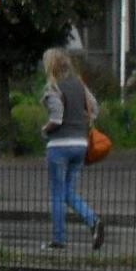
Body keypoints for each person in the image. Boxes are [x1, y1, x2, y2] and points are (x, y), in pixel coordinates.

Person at [41, 47, 104, 250]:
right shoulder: (80, 85)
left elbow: (56, 119)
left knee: (58, 194)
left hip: (59, 146)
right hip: (80, 144)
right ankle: (93, 220)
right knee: (68, 191)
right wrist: (81, 122)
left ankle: (58, 240)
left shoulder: (53, 88)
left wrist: (45, 130)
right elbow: (94, 109)